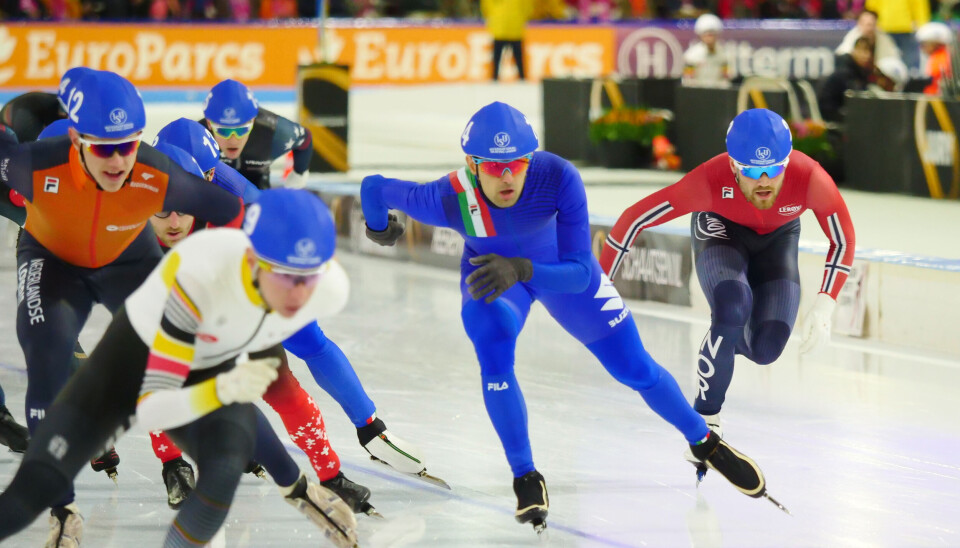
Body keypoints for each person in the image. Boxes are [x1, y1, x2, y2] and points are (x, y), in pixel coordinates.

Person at [360, 102, 780, 533]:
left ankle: (704, 440)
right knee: (493, 343)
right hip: (495, 280)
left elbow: (581, 274)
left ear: (532, 158)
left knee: (634, 367)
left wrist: (523, 268)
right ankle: (525, 475)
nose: (507, 177)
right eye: (493, 167)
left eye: (518, 163)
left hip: (557, 273)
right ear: (471, 164)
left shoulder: (557, 176)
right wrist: (379, 227)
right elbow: (374, 187)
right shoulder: (446, 198)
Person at [0, 189, 360, 548]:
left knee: (225, 463)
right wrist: (224, 389)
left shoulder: (330, 290)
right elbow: (154, 407)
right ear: (251, 260)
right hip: (129, 363)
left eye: (309, 276)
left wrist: (295, 485)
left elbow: (233, 400)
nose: (298, 295)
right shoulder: (199, 278)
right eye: (283, 275)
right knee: (30, 496)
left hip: (204, 364)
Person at [0, 69, 242, 546]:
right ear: (75, 140)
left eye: (128, 145)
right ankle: (62, 506)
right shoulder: (28, 167)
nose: (118, 161)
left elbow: (237, 210)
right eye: (104, 147)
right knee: (47, 354)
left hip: (121, 253)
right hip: (49, 248)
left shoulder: (156, 174)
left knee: (173, 349)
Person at [155, 119, 448, 491]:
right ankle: (188, 454)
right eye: (198, 177)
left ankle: (371, 429)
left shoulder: (229, 190)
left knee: (308, 339)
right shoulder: (148, 192)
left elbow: (276, 219)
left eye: (211, 173)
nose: (205, 183)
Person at [600, 108, 856, 442]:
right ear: (733, 164)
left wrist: (825, 305)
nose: (764, 181)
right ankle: (706, 419)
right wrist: (599, 285)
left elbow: (843, 239)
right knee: (733, 305)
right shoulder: (708, 180)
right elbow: (633, 219)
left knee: (766, 349)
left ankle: (724, 342)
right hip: (721, 232)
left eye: (774, 169)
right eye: (752, 170)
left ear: (788, 161)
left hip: (778, 240)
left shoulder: (810, 178)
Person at [200, 79, 312, 191]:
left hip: (257, 194)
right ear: (209, 124)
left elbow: (305, 138)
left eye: (242, 130)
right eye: (224, 131)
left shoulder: (275, 132)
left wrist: (298, 176)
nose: (233, 140)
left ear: (253, 121)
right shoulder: (197, 136)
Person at [818, 36, 876, 122]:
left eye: (869, 52)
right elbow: (856, 100)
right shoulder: (845, 72)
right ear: (854, 51)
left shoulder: (863, 72)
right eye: (862, 50)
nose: (866, 55)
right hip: (834, 118)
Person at [865, 0, 929, 73]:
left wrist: (922, 25)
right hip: (889, 28)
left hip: (904, 28)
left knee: (909, 66)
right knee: (884, 64)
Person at [481, 0, 532, 81]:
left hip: (504, 28)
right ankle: (521, 79)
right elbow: (528, 7)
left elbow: (486, 7)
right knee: (501, 58)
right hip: (512, 27)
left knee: (501, 58)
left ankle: (495, 78)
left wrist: (493, 17)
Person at [836, 10, 902, 63]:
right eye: (865, 24)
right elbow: (842, 54)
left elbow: (894, 58)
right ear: (859, 24)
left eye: (871, 24)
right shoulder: (852, 37)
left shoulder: (884, 39)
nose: (868, 28)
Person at [683, 14, 730, 85]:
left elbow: (725, 79)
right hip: (698, 92)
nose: (709, 38)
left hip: (717, 93)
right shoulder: (691, 55)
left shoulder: (724, 54)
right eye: (705, 35)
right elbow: (688, 80)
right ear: (700, 36)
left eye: (711, 35)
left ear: (717, 35)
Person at [915, 21, 953, 95]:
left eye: (924, 44)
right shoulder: (939, 56)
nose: (921, 47)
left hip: (935, 101)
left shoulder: (940, 59)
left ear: (935, 43)